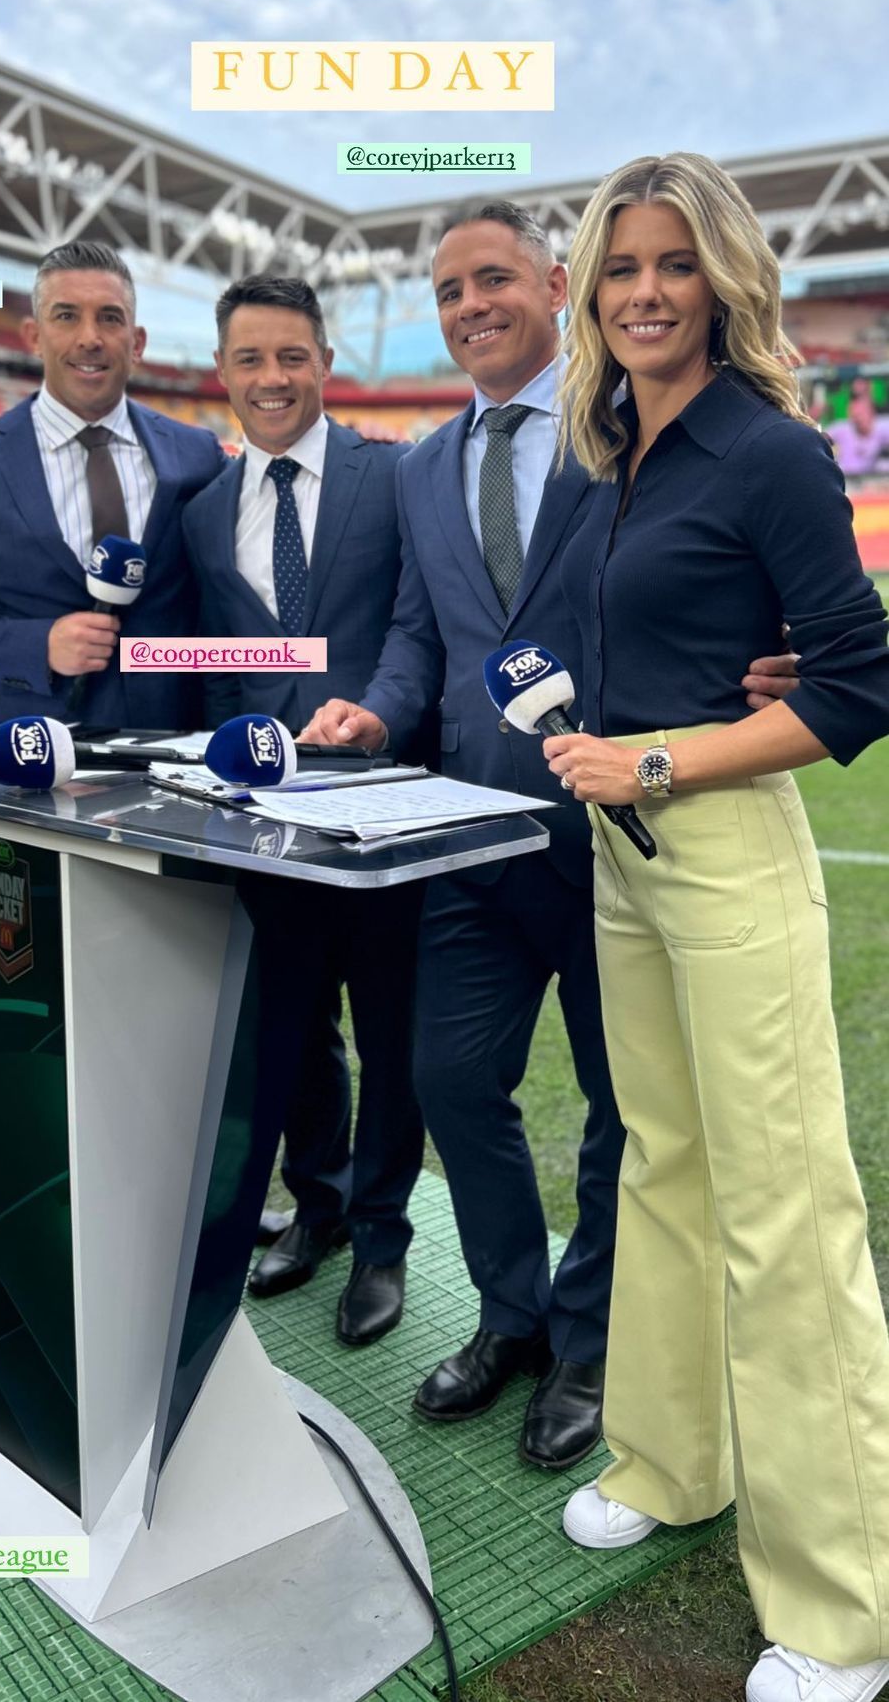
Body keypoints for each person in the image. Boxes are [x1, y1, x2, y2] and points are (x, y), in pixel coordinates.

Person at [303, 202, 797, 1467]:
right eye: (448, 290)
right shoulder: (421, 467)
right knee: (450, 1076)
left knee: (623, 1108)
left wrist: (775, 649)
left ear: (555, 281)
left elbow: (708, 567)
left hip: (622, 832)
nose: (471, 305)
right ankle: (513, 1309)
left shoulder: (637, 422)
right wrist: (379, 707)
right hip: (474, 830)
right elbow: (421, 633)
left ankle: (589, 1338)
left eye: (493, 278)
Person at [546, 152, 889, 1702]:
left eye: (674, 262)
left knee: (785, 1208)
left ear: (724, 278)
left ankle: (843, 1609)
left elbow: (860, 683)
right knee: (665, 1165)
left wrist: (663, 759)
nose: (645, 290)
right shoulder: (607, 450)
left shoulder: (770, 450)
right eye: (622, 266)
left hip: (722, 837)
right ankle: (670, 1457)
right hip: (622, 852)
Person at [181, 275, 428, 1347]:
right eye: (251, 358)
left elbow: (426, 625)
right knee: (291, 1029)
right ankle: (317, 1206)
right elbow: (217, 667)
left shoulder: (398, 474)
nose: (272, 377)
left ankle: (381, 1237)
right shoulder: (204, 513)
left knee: (391, 1035)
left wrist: (381, 716)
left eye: (292, 355)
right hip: (265, 825)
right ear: (223, 372)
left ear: (325, 362)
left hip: (385, 811)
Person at [0, 241, 223, 728]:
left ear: (137, 343)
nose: (90, 338)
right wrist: (37, 644)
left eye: (110, 318)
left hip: (182, 741)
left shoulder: (198, 454)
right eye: (66, 316)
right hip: (35, 743)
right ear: (34, 336)